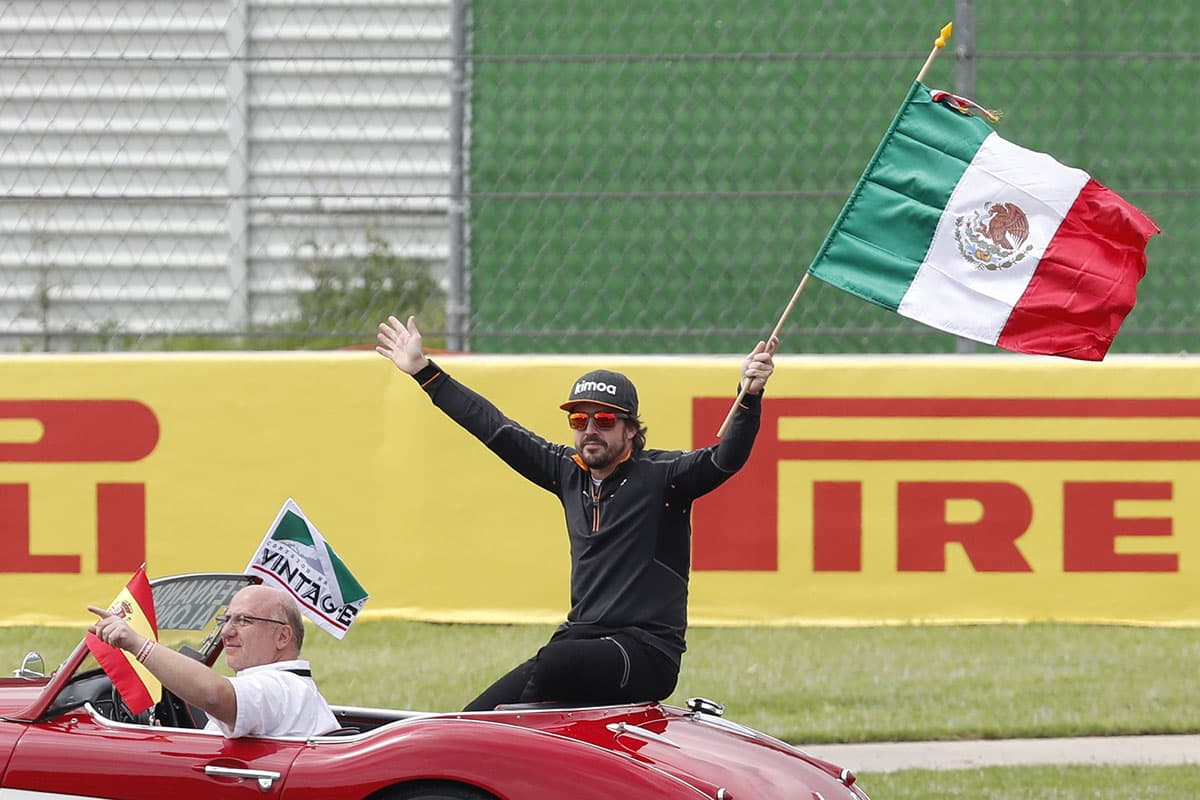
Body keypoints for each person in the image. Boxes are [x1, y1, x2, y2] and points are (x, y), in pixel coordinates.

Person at [376, 314, 778, 711]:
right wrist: (422, 371)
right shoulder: (567, 472)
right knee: (470, 719)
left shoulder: (664, 477)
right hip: (580, 646)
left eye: (604, 420)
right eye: (579, 419)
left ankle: (527, 748)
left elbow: (727, 458)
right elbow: (494, 428)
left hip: (646, 655)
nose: (589, 430)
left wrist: (750, 395)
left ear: (631, 430)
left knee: (553, 664)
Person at [88, 583, 338, 738]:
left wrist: (137, 644)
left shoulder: (279, 687)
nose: (227, 632)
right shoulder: (290, 688)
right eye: (226, 620)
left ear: (283, 636)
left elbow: (214, 696)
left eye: (244, 620)